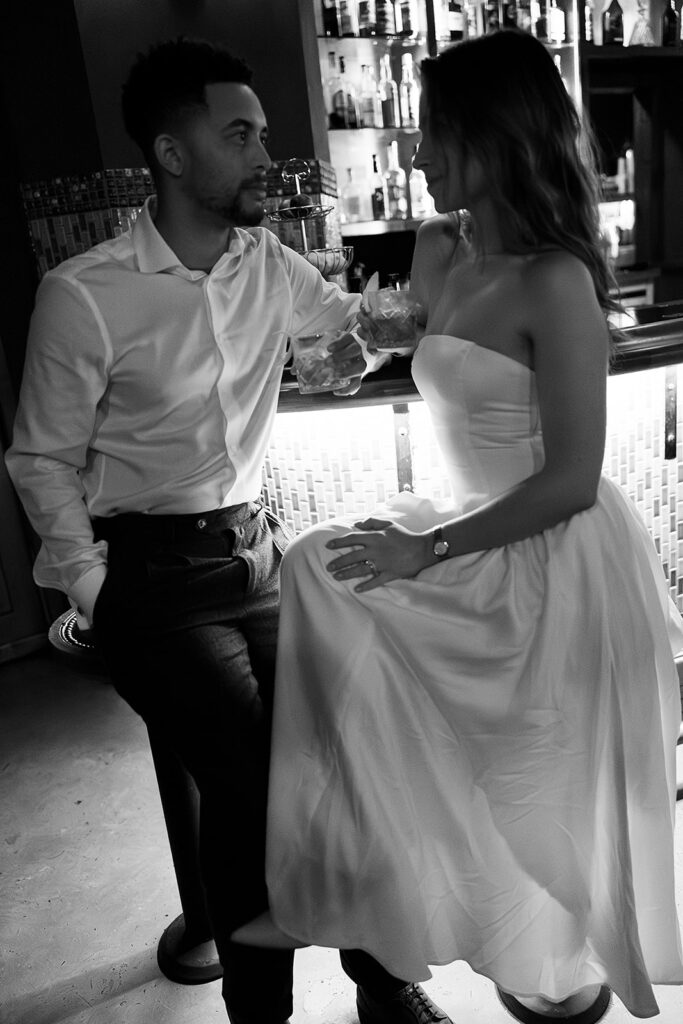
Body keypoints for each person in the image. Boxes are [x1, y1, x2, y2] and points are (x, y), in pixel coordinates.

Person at [232, 28, 683, 1024]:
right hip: (463, 525)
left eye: (431, 133)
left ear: (492, 135)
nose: (413, 155)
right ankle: (333, 887)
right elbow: (430, 347)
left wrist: (423, 548)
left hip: (548, 548)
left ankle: (554, 968)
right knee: (316, 569)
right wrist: (371, 344)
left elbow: (568, 477)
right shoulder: (440, 245)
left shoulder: (555, 278)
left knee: (533, 788)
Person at [5, 36, 454, 1024]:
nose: (263, 156)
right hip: (148, 580)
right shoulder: (82, 293)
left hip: (252, 556)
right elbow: (39, 458)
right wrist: (92, 590)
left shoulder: (268, 262)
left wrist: (444, 266)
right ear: (172, 155)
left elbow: (348, 328)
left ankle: (378, 979)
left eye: (262, 134)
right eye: (240, 134)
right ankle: (277, 1009)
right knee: (256, 785)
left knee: (334, 762)